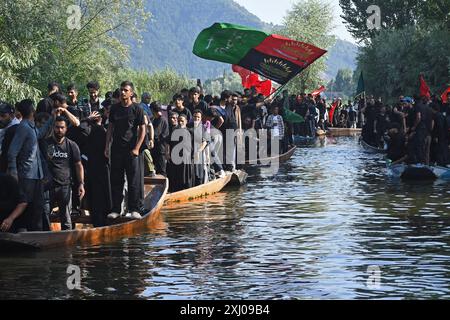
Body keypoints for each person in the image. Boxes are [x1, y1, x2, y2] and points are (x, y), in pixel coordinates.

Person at [7, 99, 55, 231]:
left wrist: (52, 118)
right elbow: (12, 152)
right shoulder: (23, 127)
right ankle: (24, 232)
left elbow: (39, 134)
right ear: (31, 111)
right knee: (26, 206)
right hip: (26, 174)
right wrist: (13, 173)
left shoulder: (31, 126)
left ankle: (37, 233)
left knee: (38, 207)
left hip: (37, 174)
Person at [105, 81, 146, 220]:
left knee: (133, 180)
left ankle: (134, 209)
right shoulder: (115, 109)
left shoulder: (137, 109)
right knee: (116, 180)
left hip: (131, 150)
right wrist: (107, 146)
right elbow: (110, 128)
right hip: (116, 149)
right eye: (121, 90)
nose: (123, 92)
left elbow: (143, 130)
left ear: (131, 93)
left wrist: (137, 148)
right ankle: (116, 209)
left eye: (126, 90)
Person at [42, 117, 85, 230]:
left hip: (65, 186)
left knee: (66, 218)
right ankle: (45, 238)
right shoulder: (45, 143)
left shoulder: (72, 145)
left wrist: (81, 184)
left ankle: (67, 241)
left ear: (66, 129)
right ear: (53, 128)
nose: (59, 130)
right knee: (44, 214)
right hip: (47, 186)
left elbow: (78, 165)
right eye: (57, 127)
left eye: (62, 127)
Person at [80, 111, 112, 227]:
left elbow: (81, 128)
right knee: (104, 195)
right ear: (101, 120)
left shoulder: (89, 131)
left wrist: (86, 119)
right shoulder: (103, 131)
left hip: (92, 168)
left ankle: (97, 221)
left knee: (95, 197)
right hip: (103, 167)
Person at [189, 110, 209, 186]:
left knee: (199, 172)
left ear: (201, 118)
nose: (196, 118)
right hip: (189, 153)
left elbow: (205, 142)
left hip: (199, 152)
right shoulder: (188, 126)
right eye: (195, 117)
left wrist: (198, 151)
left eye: (198, 117)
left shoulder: (203, 128)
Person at [0, 102, 20, 173]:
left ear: (11, 115)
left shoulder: (16, 129)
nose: (0, 119)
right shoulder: (4, 125)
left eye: (3, 116)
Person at [151, 102, 169, 177]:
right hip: (155, 149)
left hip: (160, 149)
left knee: (161, 171)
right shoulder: (155, 119)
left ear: (153, 110)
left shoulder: (162, 120)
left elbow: (156, 134)